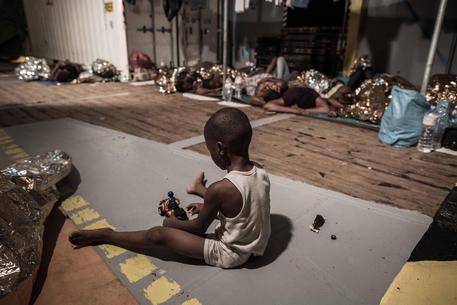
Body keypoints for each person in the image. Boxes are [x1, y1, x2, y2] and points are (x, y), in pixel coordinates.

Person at [69, 108, 271, 269]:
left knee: (159, 235)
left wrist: (170, 222)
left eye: (209, 150)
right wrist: (210, 208)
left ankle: (107, 235)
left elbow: (198, 228)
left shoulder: (221, 189)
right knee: (209, 202)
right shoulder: (260, 172)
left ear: (219, 149)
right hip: (253, 246)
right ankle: (198, 189)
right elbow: (249, 208)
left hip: (231, 253)